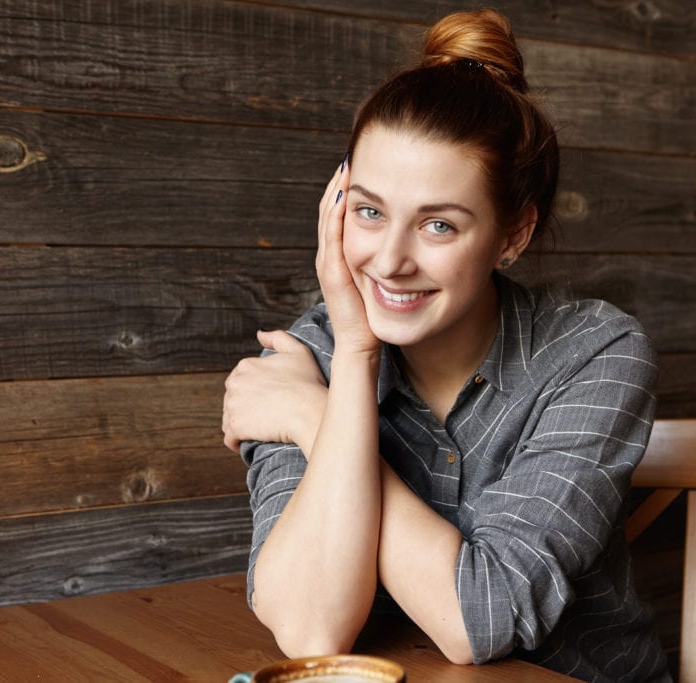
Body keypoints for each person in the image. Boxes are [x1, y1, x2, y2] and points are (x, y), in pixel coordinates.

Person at [222, 9, 670, 681]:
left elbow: (477, 618)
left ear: (513, 235)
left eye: (437, 224)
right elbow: (311, 628)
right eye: (369, 211)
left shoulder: (595, 352)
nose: (390, 260)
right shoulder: (310, 355)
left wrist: (314, 418)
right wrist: (353, 356)